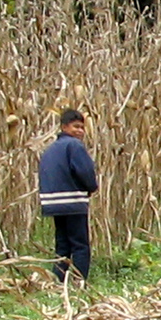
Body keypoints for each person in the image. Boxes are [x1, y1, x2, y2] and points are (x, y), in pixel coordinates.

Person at [39, 108, 99, 282]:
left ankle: (58, 281)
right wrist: (91, 187)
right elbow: (85, 171)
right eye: (76, 127)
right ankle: (80, 282)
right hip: (72, 201)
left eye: (82, 127)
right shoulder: (74, 146)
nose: (80, 131)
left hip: (52, 202)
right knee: (80, 245)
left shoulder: (50, 149)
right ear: (64, 127)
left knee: (63, 245)